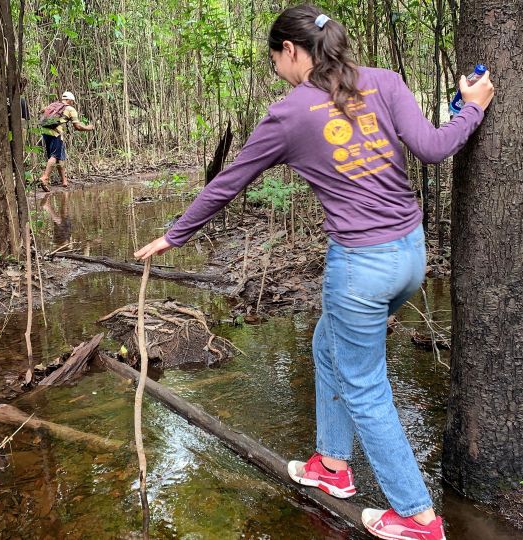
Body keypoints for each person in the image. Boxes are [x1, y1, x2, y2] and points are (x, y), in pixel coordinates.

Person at [134, 5, 494, 540]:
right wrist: (471, 108)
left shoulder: (290, 114)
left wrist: (175, 234)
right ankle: (333, 464)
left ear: (293, 52)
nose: (276, 68)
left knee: (366, 386)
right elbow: (434, 148)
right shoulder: (387, 83)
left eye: (275, 57)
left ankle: (417, 516)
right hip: (411, 256)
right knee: (329, 344)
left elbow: (228, 182)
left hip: (359, 269)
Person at [40, 91, 95, 189]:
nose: (73, 103)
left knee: (59, 157)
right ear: (69, 100)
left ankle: (64, 181)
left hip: (45, 131)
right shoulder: (70, 109)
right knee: (54, 156)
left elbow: (42, 110)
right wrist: (88, 128)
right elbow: (77, 126)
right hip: (56, 132)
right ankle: (45, 177)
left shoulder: (53, 104)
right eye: (72, 101)